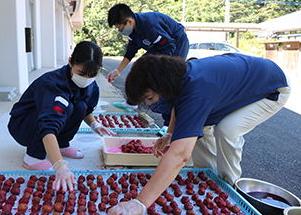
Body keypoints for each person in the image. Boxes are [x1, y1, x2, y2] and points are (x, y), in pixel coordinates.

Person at [108, 53, 291, 215]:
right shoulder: (179, 77)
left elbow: (180, 154)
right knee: (199, 129)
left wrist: (141, 202)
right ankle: (210, 180)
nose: (150, 105)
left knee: (227, 130)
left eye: (150, 98)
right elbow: (178, 107)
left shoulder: (196, 91)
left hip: (272, 88)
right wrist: (170, 133)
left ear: (161, 85)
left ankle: (230, 190)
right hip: (245, 79)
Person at [8, 41, 116, 192]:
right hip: (24, 125)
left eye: (92, 74)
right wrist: (59, 166)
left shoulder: (91, 85)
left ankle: (61, 144)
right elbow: (47, 124)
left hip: (45, 121)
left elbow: (85, 110)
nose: (86, 78)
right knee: (62, 108)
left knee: (79, 106)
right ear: (71, 62)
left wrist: (95, 124)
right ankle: (33, 157)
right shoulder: (53, 85)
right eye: (81, 73)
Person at [106, 3, 190, 131]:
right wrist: (118, 70)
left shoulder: (151, 27)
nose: (120, 31)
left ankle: (168, 124)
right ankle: (132, 103)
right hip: (160, 47)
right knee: (138, 68)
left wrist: (160, 69)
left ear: (129, 21)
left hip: (176, 44)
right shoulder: (133, 30)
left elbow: (170, 46)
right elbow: (130, 51)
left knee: (165, 81)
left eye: (120, 28)